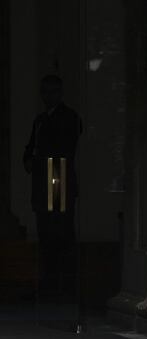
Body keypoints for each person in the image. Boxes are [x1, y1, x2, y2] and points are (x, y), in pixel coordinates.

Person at [23, 75, 82, 297]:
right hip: (44, 180)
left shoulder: (69, 117)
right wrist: (29, 159)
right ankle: (49, 284)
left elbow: (62, 150)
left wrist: (38, 159)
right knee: (46, 232)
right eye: (45, 91)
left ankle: (63, 286)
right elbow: (31, 147)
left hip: (57, 177)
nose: (49, 96)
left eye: (53, 91)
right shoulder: (40, 120)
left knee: (61, 232)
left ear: (60, 93)